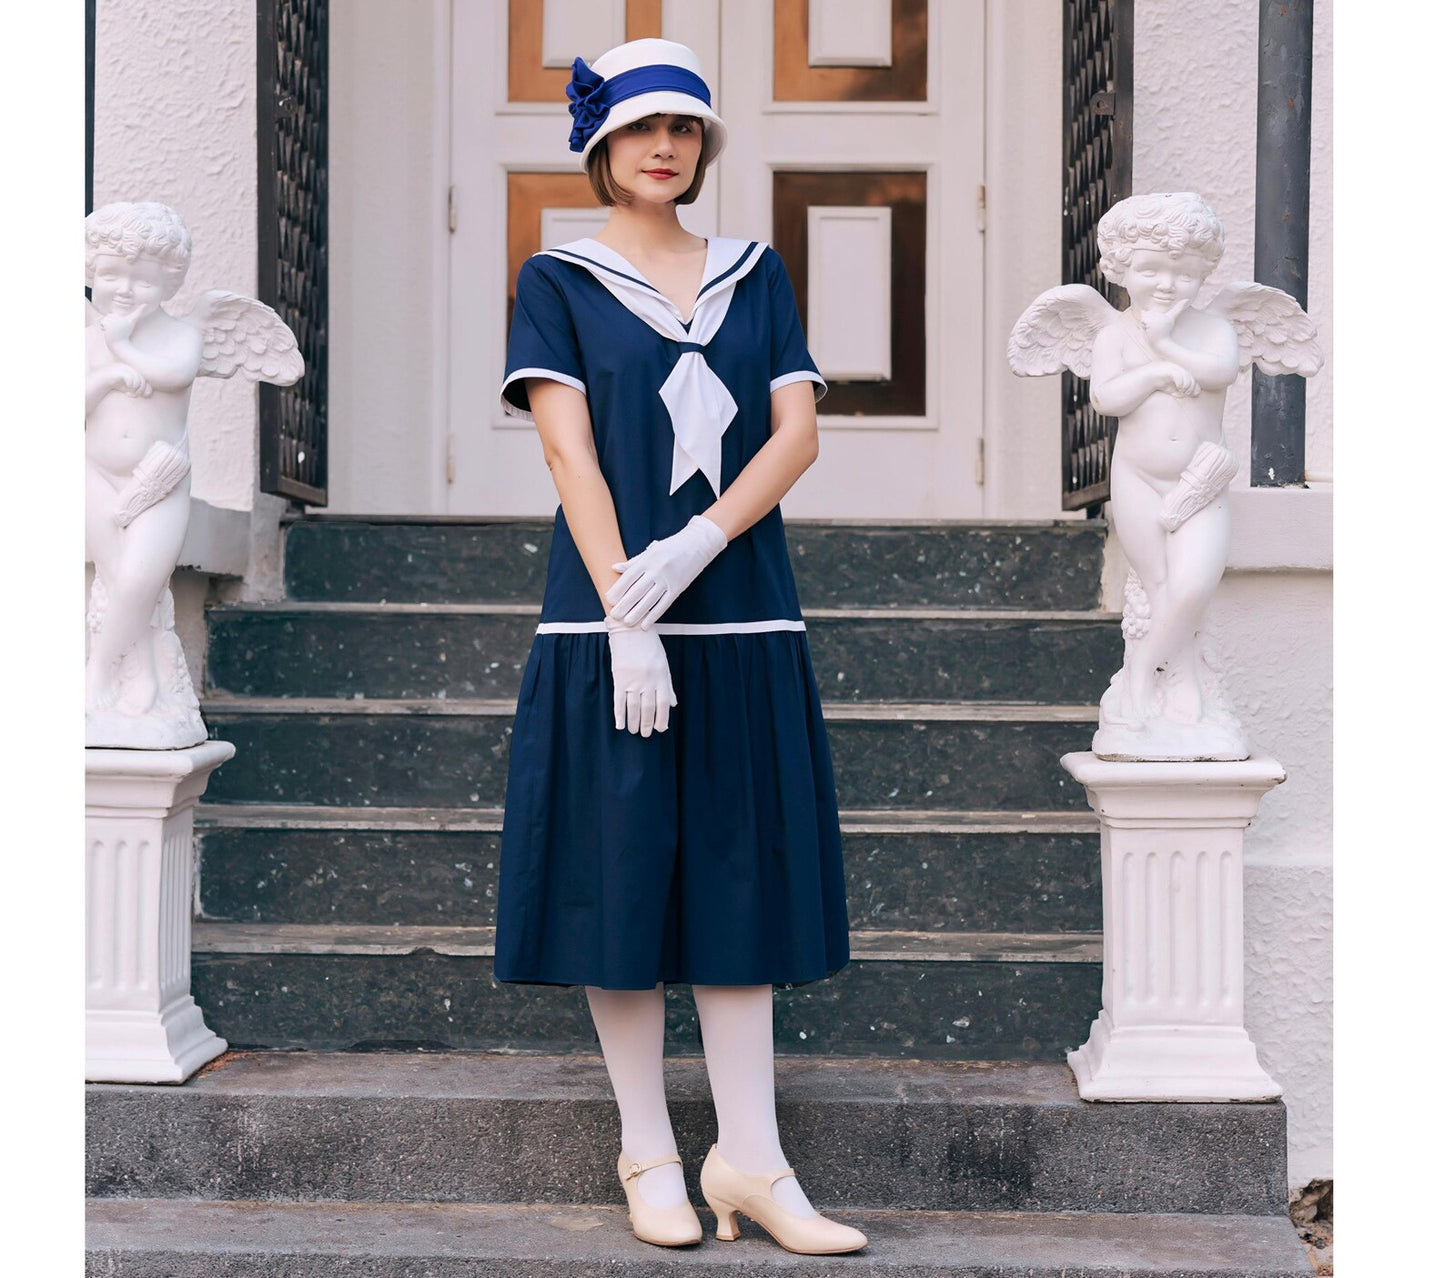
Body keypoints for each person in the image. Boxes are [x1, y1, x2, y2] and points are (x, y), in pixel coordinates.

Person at [494, 37, 865, 1256]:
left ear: (704, 147)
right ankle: (648, 1149)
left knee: (735, 876)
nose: (664, 146)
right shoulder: (557, 280)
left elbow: (794, 433)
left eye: (686, 129)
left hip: (741, 610)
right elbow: (569, 451)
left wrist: (694, 549)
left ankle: (751, 1160)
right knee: (621, 877)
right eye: (642, 128)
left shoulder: (755, 275)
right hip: (607, 617)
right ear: (602, 145)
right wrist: (626, 613)